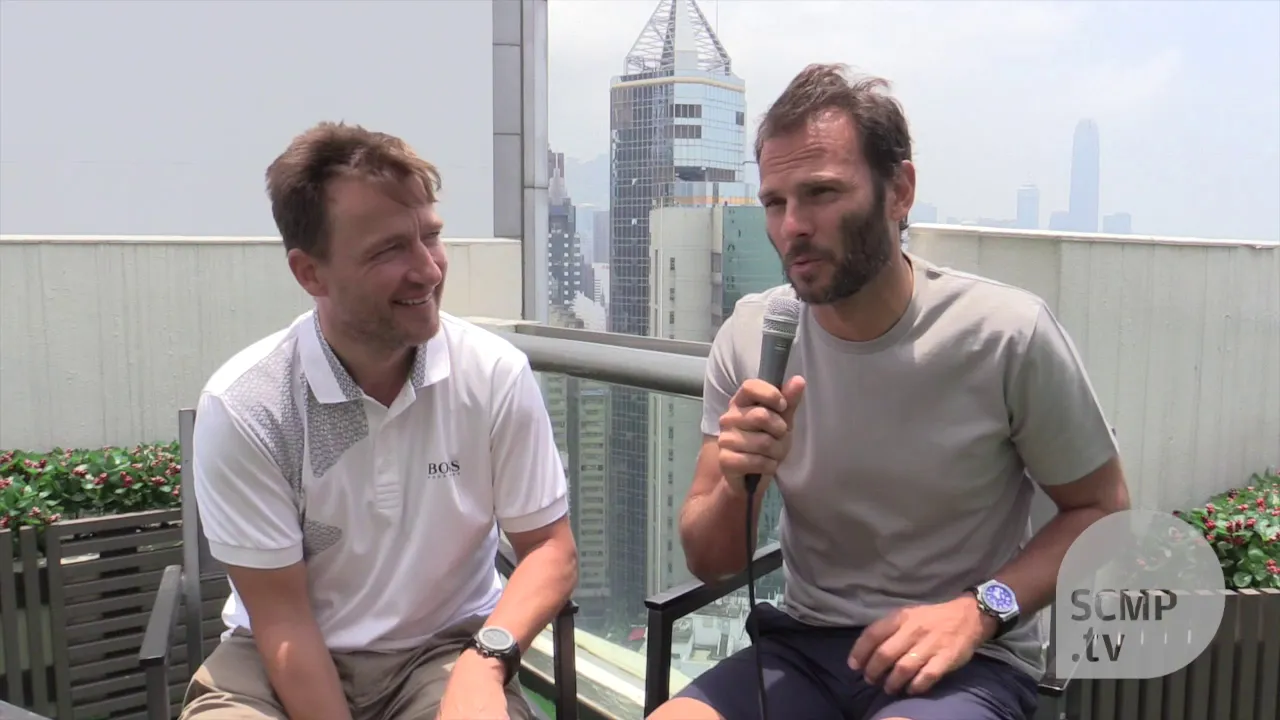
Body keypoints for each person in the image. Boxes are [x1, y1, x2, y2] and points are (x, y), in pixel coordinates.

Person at [649, 64, 1131, 720]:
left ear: (899, 190)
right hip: (805, 646)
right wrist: (738, 483)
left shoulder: (1003, 334)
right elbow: (711, 562)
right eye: (775, 202)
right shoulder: (753, 337)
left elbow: (1102, 509)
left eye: (821, 192)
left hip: (965, 660)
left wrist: (980, 611)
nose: (793, 226)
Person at [183, 122, 577, 720]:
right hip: (275, 659)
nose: (428, 270)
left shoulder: (492, 373)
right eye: (389, 249)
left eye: (431, 236)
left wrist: (485, 661)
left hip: (443, 652)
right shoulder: (249, 405)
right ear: (310, 273)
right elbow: (283, 621)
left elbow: (549, 547)